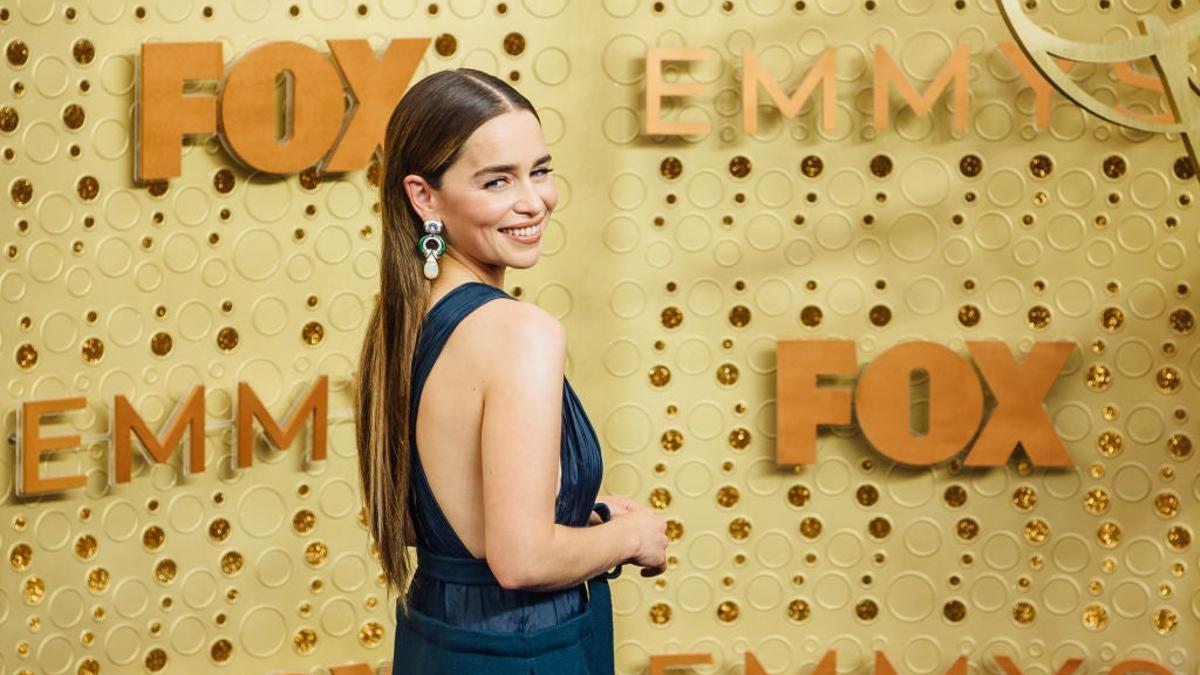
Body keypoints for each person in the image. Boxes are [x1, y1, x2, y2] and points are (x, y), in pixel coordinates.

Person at [354, 68, 670, 673]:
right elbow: (520, 559)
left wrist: (588, 516)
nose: (533, 201)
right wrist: (633, 537)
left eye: (541, 170)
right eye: (497, 181)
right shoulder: (522, 333)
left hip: (435, 638)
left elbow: (427, 526)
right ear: (424, 196)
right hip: (521, 648)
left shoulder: (398, 321)